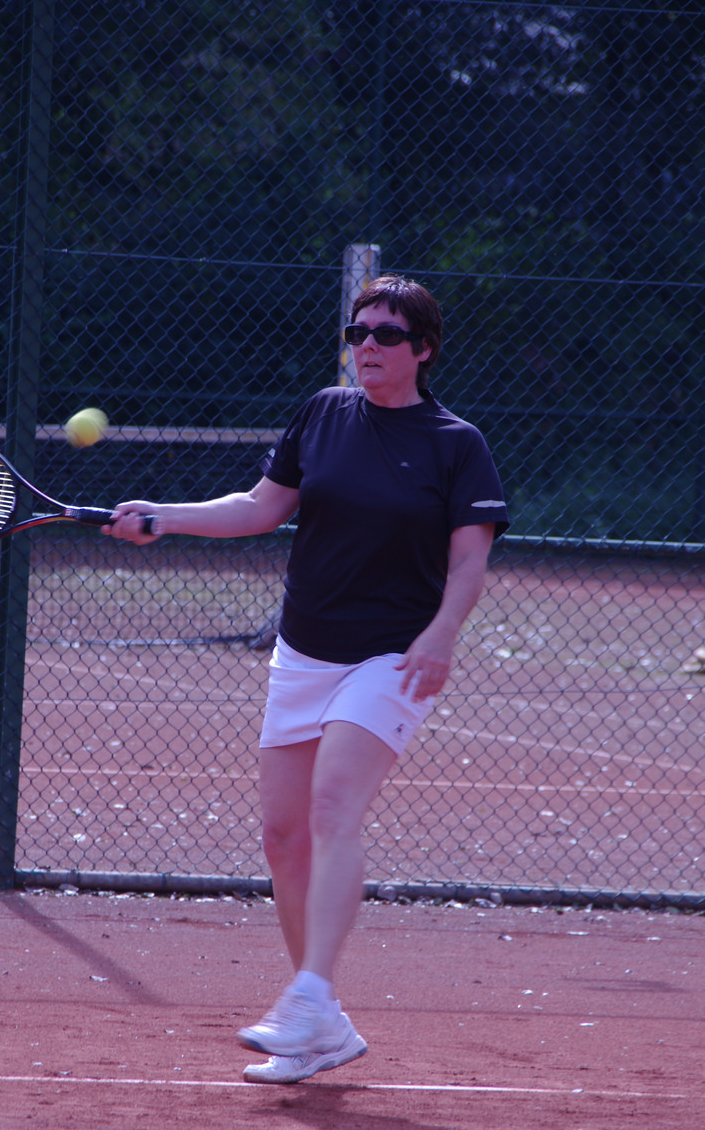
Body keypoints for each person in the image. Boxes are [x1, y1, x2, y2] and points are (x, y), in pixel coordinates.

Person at [107, 275, 509, 1084]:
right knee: (283, 836)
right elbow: (260, 507)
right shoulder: (322, 413)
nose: (367, 345)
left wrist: (440, 633)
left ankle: (310, 994)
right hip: (304, 650)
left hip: (391, 655)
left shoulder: (455, 442)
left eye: (386, 334)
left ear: (423, 349)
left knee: (332, 808)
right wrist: (167, 516)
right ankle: (320, 1025)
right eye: (358, 331)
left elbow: (469, 559)